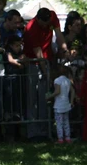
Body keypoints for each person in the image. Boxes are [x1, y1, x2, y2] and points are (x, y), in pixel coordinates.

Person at [22, 7, 67, 140]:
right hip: (34, 64)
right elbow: (39, 54)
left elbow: (59, 35)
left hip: (49, 60)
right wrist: (47, 73)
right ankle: (33, 132)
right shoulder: (31, 28)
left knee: (45, 98)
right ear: (38, 19)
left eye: (48, 23)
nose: (47, 26)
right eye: (44, 23)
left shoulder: (52, 16)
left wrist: (64, 50)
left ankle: (45, 129)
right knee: (32, 99)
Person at [49, 65, 74, 143]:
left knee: (59, 123)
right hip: (66, 104)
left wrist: (49, 96)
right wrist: (71, 101)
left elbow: (57, 91)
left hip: (58, 105)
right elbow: (73, 91)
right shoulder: (68, 80)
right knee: (66, 121)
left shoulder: (57, 80)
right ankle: (68, 137)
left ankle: (60, 138)